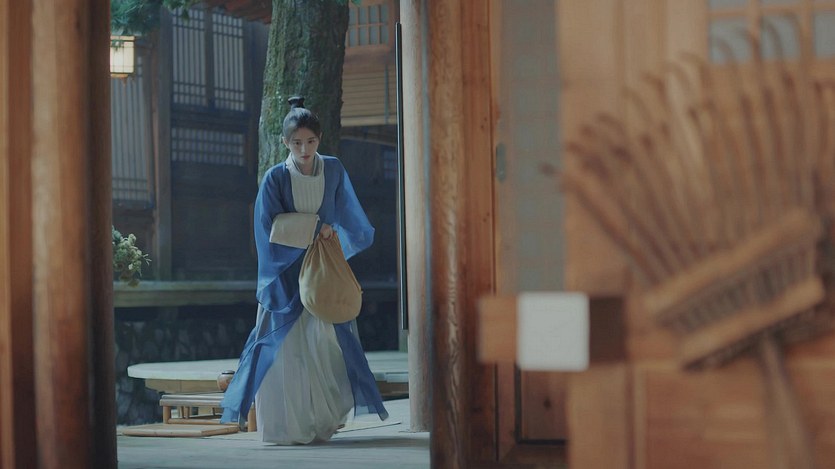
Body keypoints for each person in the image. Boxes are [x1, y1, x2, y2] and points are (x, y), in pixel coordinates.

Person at [220, 96, 388, 444]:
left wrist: (333, 237)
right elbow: (267, 227)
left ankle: (323, 421)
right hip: (286, 272)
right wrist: (314, 228)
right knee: (287, 354)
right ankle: (286, 428)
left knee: (327, 347)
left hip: (321, 270)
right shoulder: (275, 177)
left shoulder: (334, 169)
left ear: (319, 139)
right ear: (285, 142)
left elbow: (349, 214)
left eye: (310, 141)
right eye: (297, 142)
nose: (304, 149)